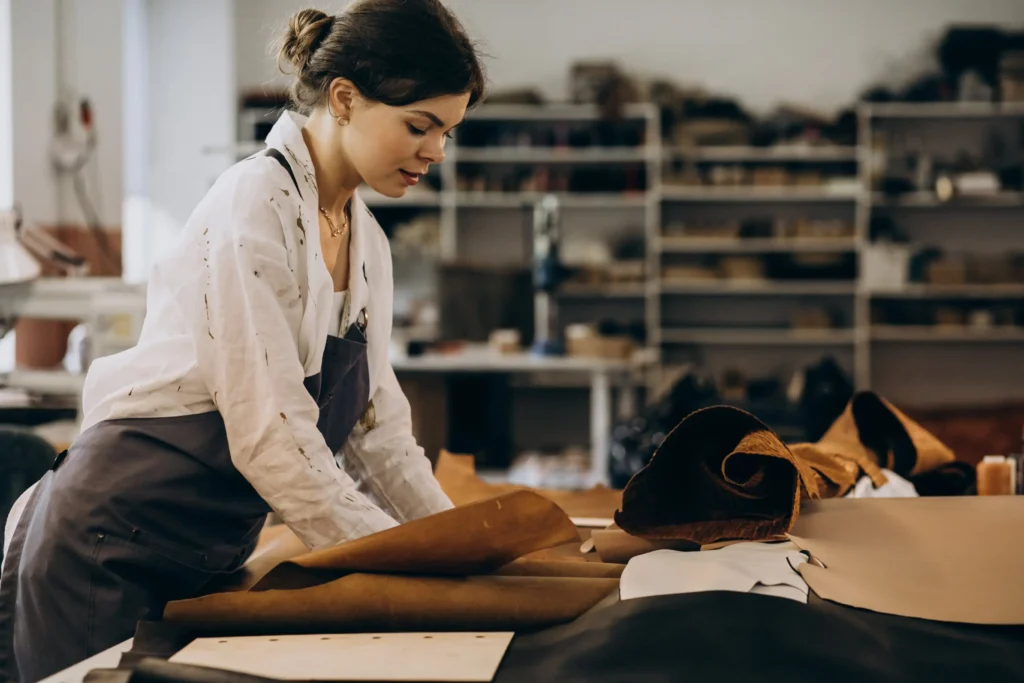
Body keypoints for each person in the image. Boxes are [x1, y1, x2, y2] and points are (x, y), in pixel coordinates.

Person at [0, 1, 485, 679]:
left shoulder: (365, 239)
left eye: (448, 132)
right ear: (344, 99)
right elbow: (273, 440)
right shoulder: (254, 205)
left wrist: (461, 552)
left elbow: (380, 439)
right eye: (420, 126)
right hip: (105, 548)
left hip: (203, 556)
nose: (436, 151)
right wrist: (407, 567)